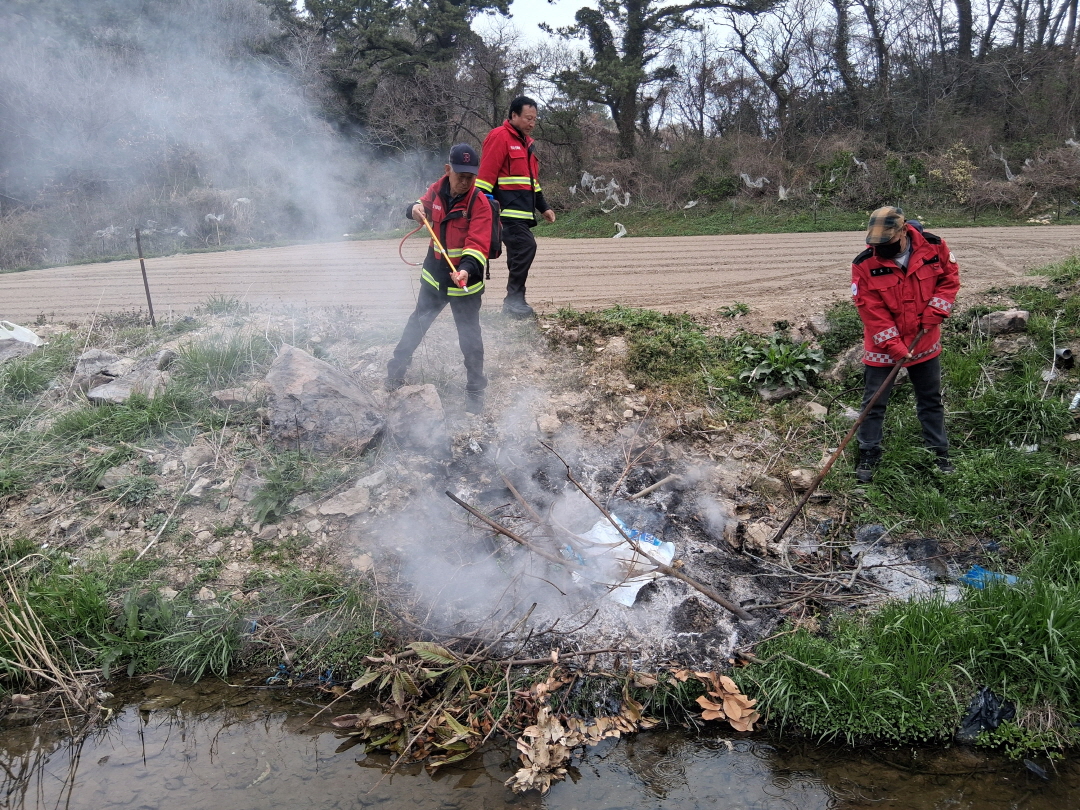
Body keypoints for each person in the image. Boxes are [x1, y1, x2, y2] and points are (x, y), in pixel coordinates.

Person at [851, 206, 961, 482]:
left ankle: (939, 453)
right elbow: (871, 310)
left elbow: (949, 279)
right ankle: (868, 453)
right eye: (876, 243)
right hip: (883, 346)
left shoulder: (934, 247)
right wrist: (895, 345)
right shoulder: (864, 264)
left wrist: (936, 311)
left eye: (886, 242)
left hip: (925, 339)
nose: (880, 248)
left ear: (903, 231)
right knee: (873, 402)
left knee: (930, 399)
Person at [386, 143, 493, 414]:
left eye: (471, 177)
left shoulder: (479, 202)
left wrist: (466, 269)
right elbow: (418, 205)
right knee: (416, 324)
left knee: (470, 338)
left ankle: (475, 392)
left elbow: (477, 243)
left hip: (465, 282)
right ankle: (395, 373)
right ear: (448, 170)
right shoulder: (437, 189)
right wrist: (413, 208)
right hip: (434, 278)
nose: (465, 182)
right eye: (461, 176)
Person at [476, 95, 556, 318]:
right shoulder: (499, 137)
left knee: (517, 254)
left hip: (522, 213)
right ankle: (514, 300)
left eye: (535, 119)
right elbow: (485, 178)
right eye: (528, 118)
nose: (532, 123)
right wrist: (484, 212)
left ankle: (513, 304)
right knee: (526, 247)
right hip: (505, 212)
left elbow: (532, 182)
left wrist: (544, 207)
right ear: (513, 115)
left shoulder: (526, 143)